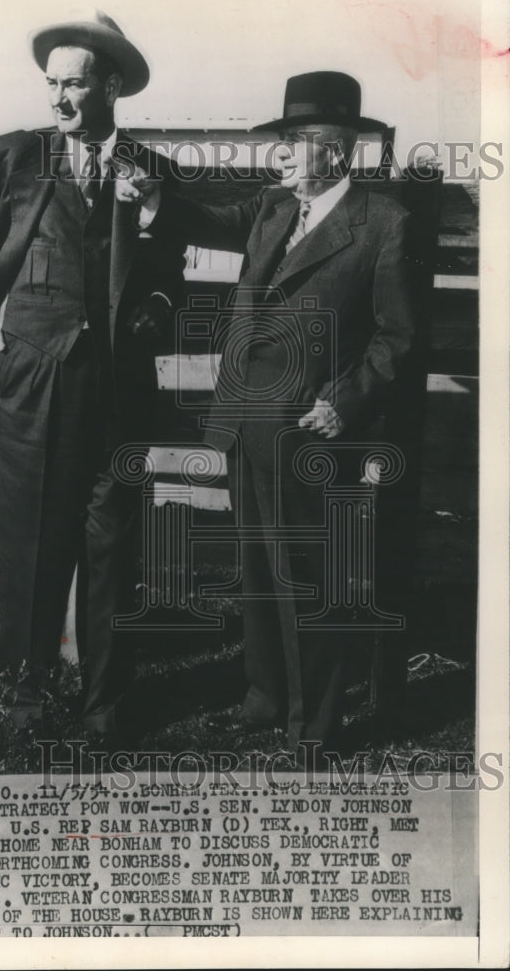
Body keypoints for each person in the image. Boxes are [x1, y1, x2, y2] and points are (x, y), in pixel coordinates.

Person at [118, 71, 416, 764]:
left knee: (307, 579)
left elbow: (399, 337)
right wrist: (155, 188)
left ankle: (315, 726)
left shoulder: (383, 224)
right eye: (281, 140)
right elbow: (207, 218)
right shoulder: (276, 209)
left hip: (312, 427)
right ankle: (266, 697)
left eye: (295, 142)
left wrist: (345, 401)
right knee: (257, 567)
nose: (281, 154)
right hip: (246, 419)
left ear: (337, 150)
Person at [0, 10, 186, 740]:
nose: (58, 98)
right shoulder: (13, 157)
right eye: (51, 84)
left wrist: (153, 298)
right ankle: (28, 693)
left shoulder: (153, 172)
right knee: (33, 543)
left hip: (117, 396)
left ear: (111, 84)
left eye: (73, 84)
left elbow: (170, 277)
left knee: (112, 550)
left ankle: (105, 704)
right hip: (30, 390)